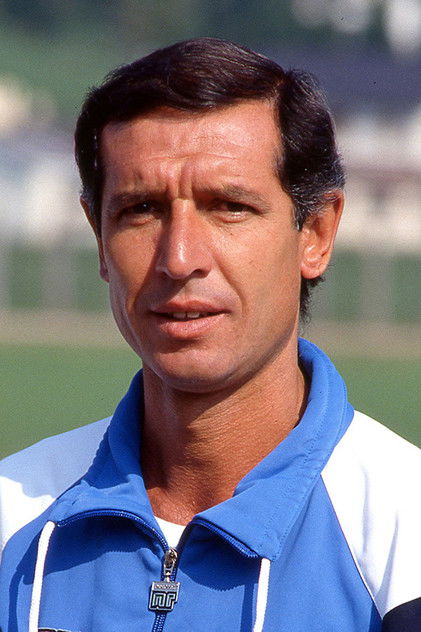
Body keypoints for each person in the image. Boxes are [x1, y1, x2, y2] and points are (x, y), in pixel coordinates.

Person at [0, 38, 419, 632]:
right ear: (99, 239)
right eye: (141, 209)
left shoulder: (405, 537)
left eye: (228, 206)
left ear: (316, 234)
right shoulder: (13, 517)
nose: (179, 258)